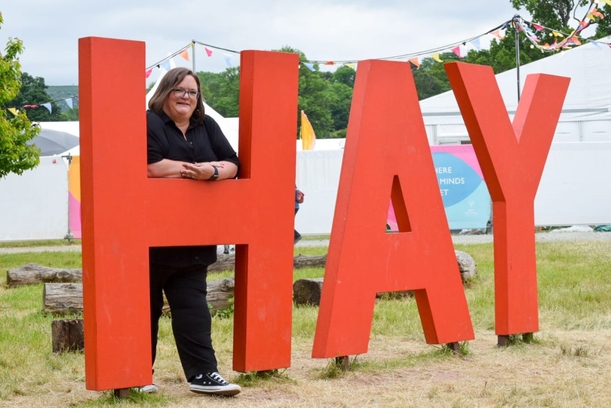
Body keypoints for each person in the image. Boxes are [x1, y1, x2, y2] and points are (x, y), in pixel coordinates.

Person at [144, 67, 241, 396]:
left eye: (192, 92)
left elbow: (233, 163)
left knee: (194, 311)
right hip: (149, 237)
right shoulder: (150, 122)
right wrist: (193, 171)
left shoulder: (207, 126)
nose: (186, 97)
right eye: (179, 90)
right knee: (144, 310)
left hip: (193, 237)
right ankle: (137, 374)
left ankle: (203, 375)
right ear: (165, 91)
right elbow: (149, 165)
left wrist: (212, 172)